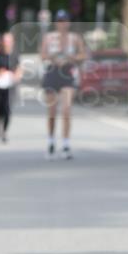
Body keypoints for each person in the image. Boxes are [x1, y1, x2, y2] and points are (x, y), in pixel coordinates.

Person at [40, 10, 86, 159]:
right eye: (59, 21)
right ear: (56, 23)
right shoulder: (49, 38)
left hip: (67, 73)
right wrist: (53, 55)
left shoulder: (74, 38)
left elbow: (83, 55)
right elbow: (42, 55)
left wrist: (71, 56)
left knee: (66, 110)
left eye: (65, 20)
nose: (62, 24)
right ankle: (51, 141)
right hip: (53, 72)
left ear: (69, 22)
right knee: (52, 111)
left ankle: (66, 144)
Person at [0, 32, 21, 142]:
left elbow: (19, 68)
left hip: (10, 87)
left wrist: (16, 75)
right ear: (2, 42)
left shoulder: (15, 55)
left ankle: (4, 131)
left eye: (9, 41)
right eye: (5, 41)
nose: (7, 43)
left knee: (8, 110)